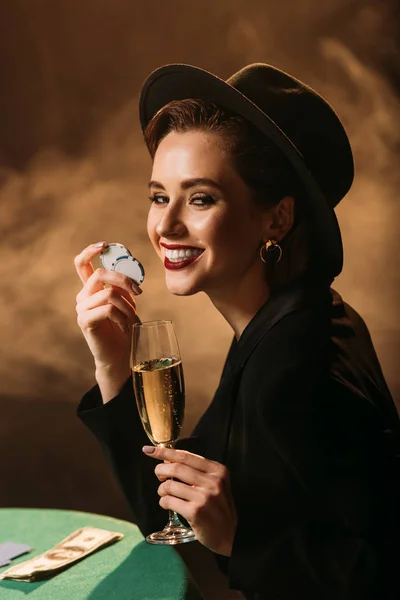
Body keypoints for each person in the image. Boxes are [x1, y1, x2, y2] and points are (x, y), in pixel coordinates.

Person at [74, 63, 400, 599]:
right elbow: (173, 513)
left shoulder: (292, 358)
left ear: (277, 219)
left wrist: (241, 541)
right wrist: (113, 362)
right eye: (159, 196)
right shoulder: (282, 325)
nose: (166, 226)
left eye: (200, 198)